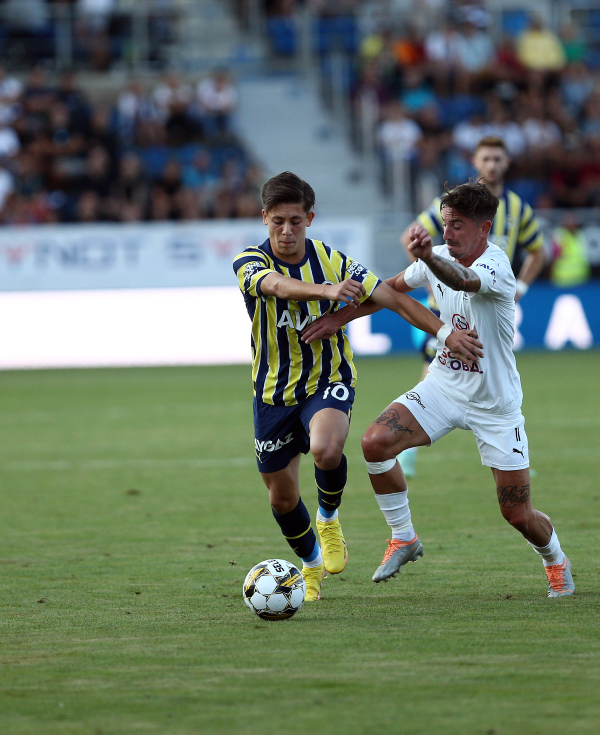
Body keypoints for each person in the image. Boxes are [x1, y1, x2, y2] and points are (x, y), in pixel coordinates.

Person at [302, 181, 574, 598]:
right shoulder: (439, 255)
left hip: (495, 405)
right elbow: (388, 290)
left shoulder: (495, 265)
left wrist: (428, 255)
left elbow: (464, 281)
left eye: (459, 226)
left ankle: (555, 559)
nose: (449, 234)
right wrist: (340, 319)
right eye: (446, 223)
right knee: (374, 443)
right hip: (443, 388)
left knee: (516, 512)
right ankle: (404, 537)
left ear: (484, 229)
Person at [232, 171, 482, 603]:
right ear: (264, 219)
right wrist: (325, 292)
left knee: (328, 449)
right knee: (281, 498)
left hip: (328, 378)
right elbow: (275, 286)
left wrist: (444, 333)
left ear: (310, 218)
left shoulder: (333, 259)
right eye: (277, 221)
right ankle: (310, 565)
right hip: (273, 392)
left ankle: (328, 518)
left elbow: (394, 298)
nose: (286, 230)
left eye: (295, 220)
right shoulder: (249, 262)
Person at [396, 135, 545, 477]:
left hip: (490, 300)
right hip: (450, 303)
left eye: (498, 158)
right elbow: (410, 236)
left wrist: (519, 285)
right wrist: (435, 277)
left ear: (507, 163)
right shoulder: (454, 204)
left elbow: (538, 249)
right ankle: (408, 452)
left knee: (498, 371)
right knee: (439, 365)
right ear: (476, 163)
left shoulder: (518, 209)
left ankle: (511, 452)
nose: (492, 165)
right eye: (486, 159)